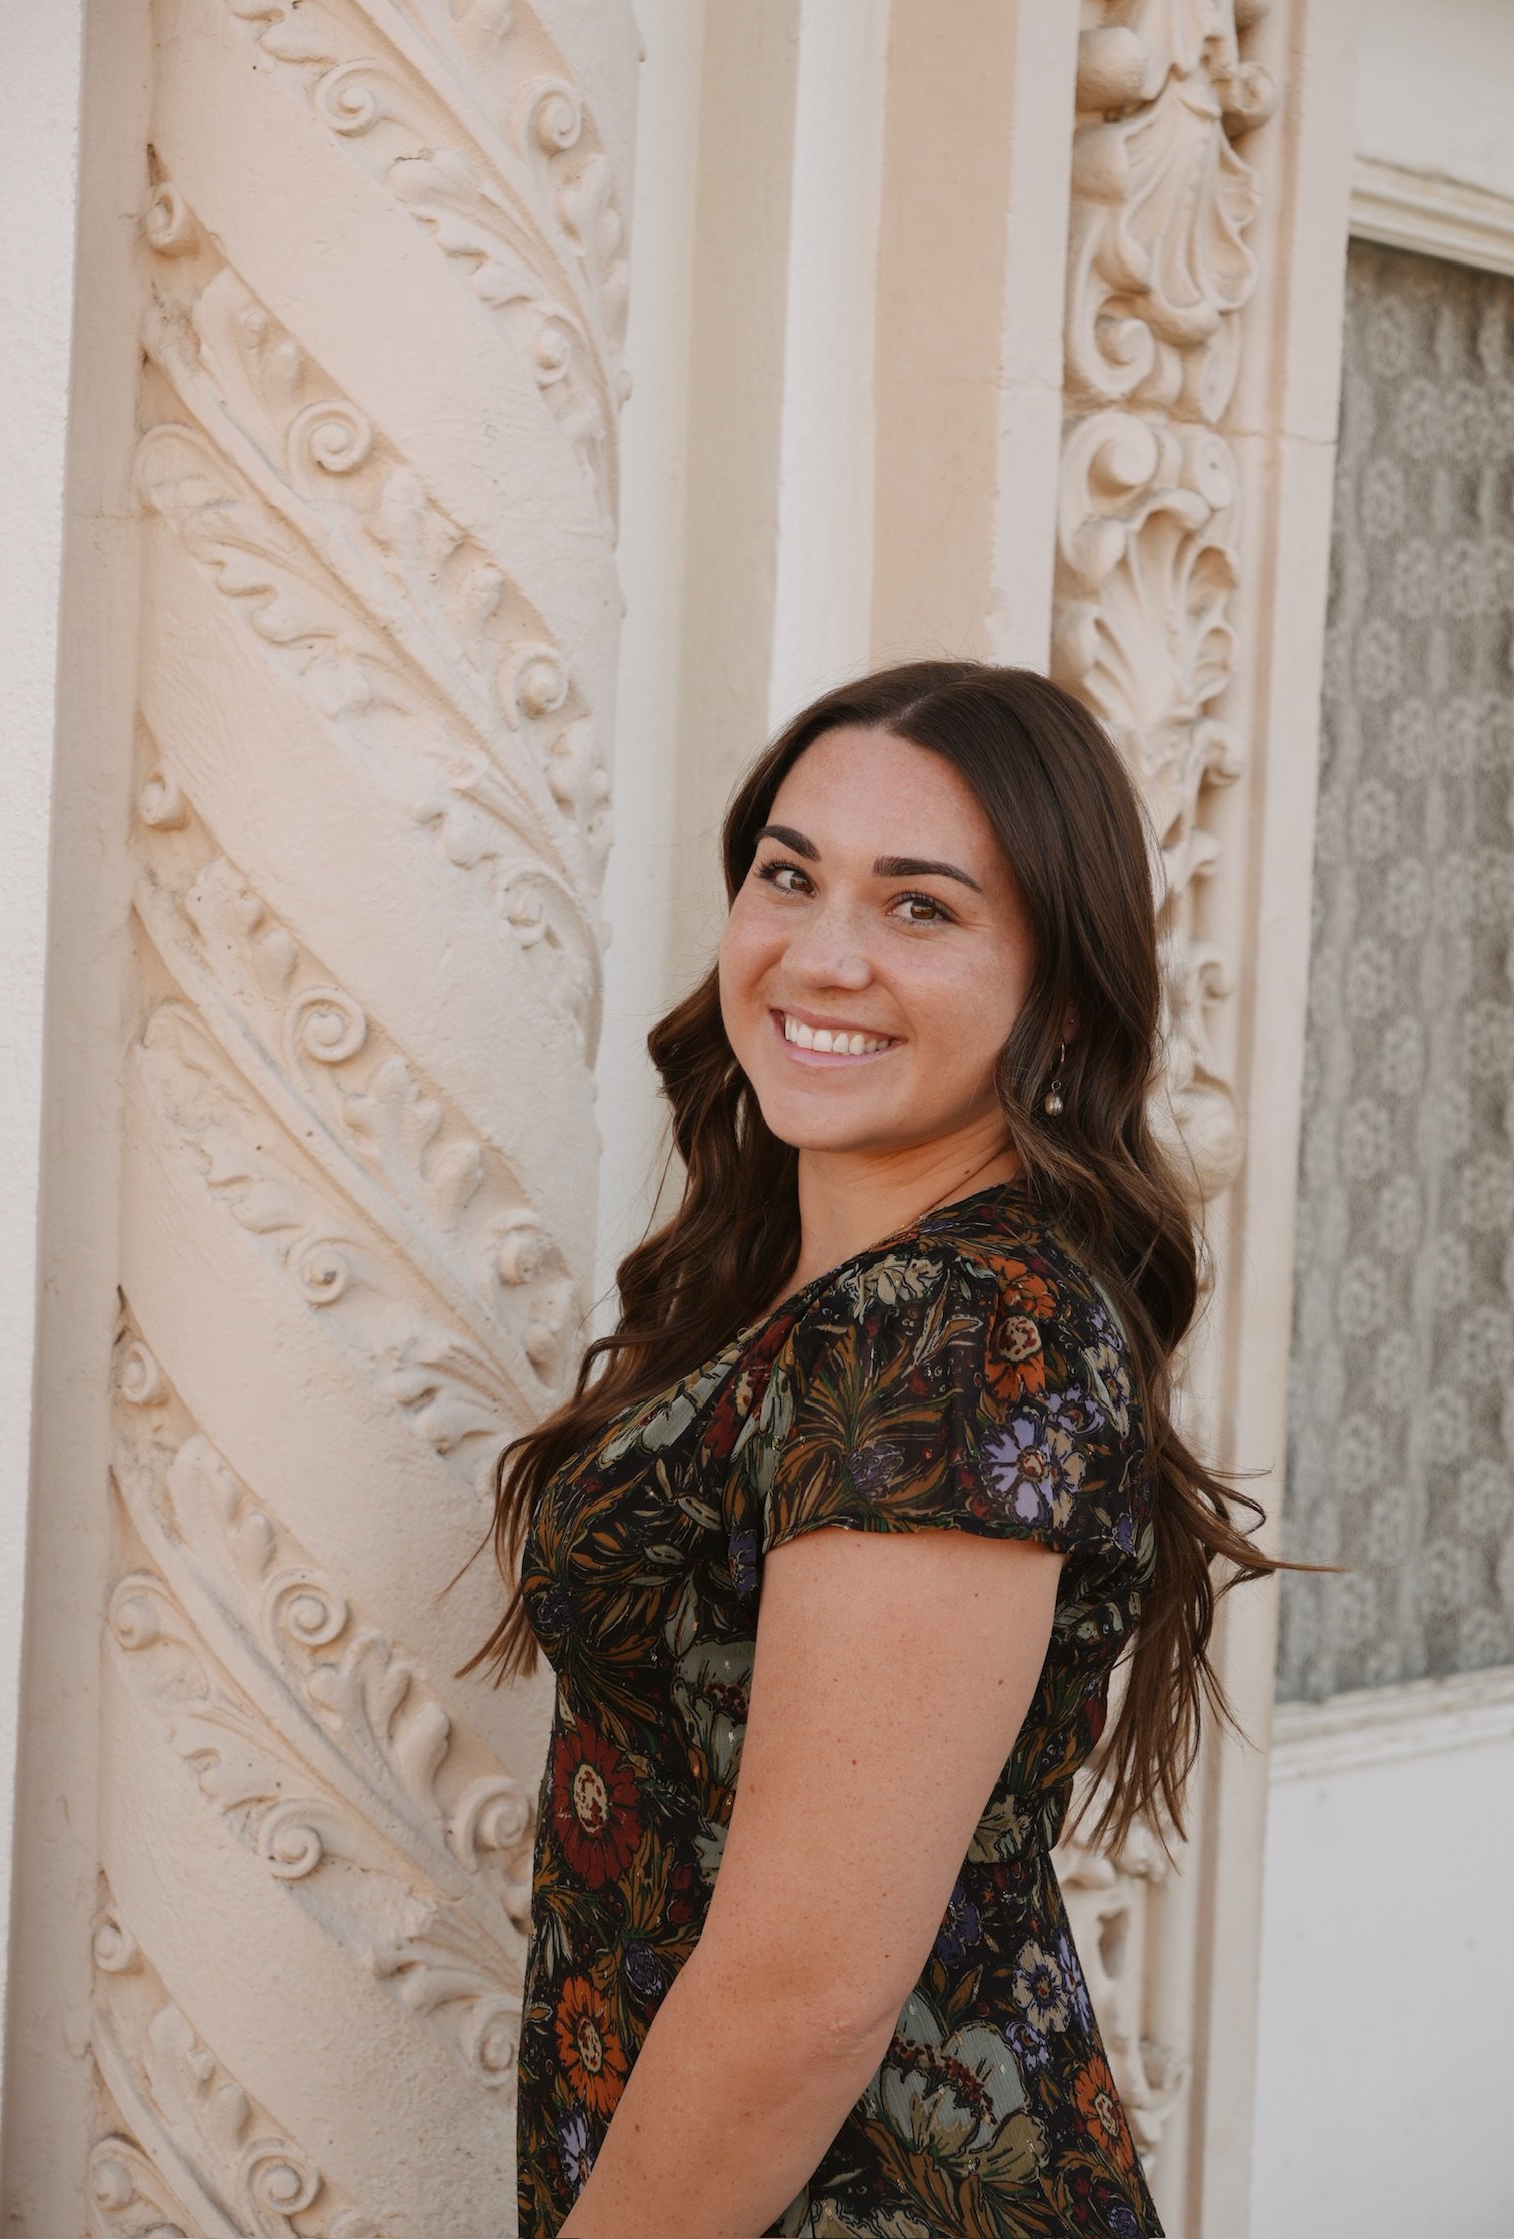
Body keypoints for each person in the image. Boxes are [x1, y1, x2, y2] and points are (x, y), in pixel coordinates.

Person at [463, 661, 1274, 2239]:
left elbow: (808, 1990)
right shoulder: (821, 1291)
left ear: (1057, 985)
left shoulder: (948, 1338)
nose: (821, 955)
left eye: (922, 908)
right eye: (790, 874)